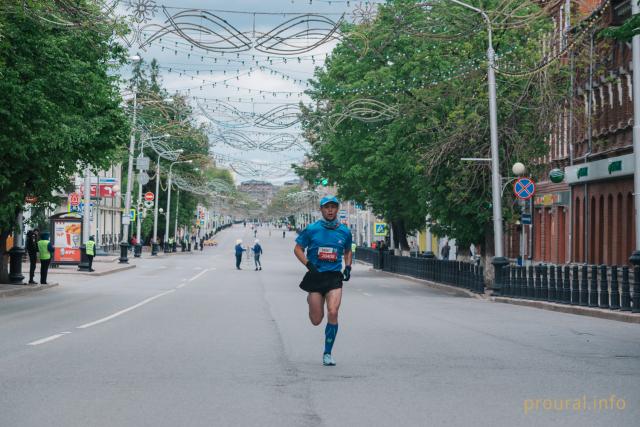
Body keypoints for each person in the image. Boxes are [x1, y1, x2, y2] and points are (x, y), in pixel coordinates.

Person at [294, 195, 353, 367]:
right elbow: (298, 249)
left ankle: (327, 353)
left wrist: (348, 267)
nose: (330, 210)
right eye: (327, 207)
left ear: (337, 209)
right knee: (316, 320)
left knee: (333, 312)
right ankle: (312, 301)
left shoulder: (345, 231)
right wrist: (308, 264)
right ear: (321, 210)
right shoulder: (312, 229)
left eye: (333, 207)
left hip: (334, 276)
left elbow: (348, 251)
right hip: (315, 275)